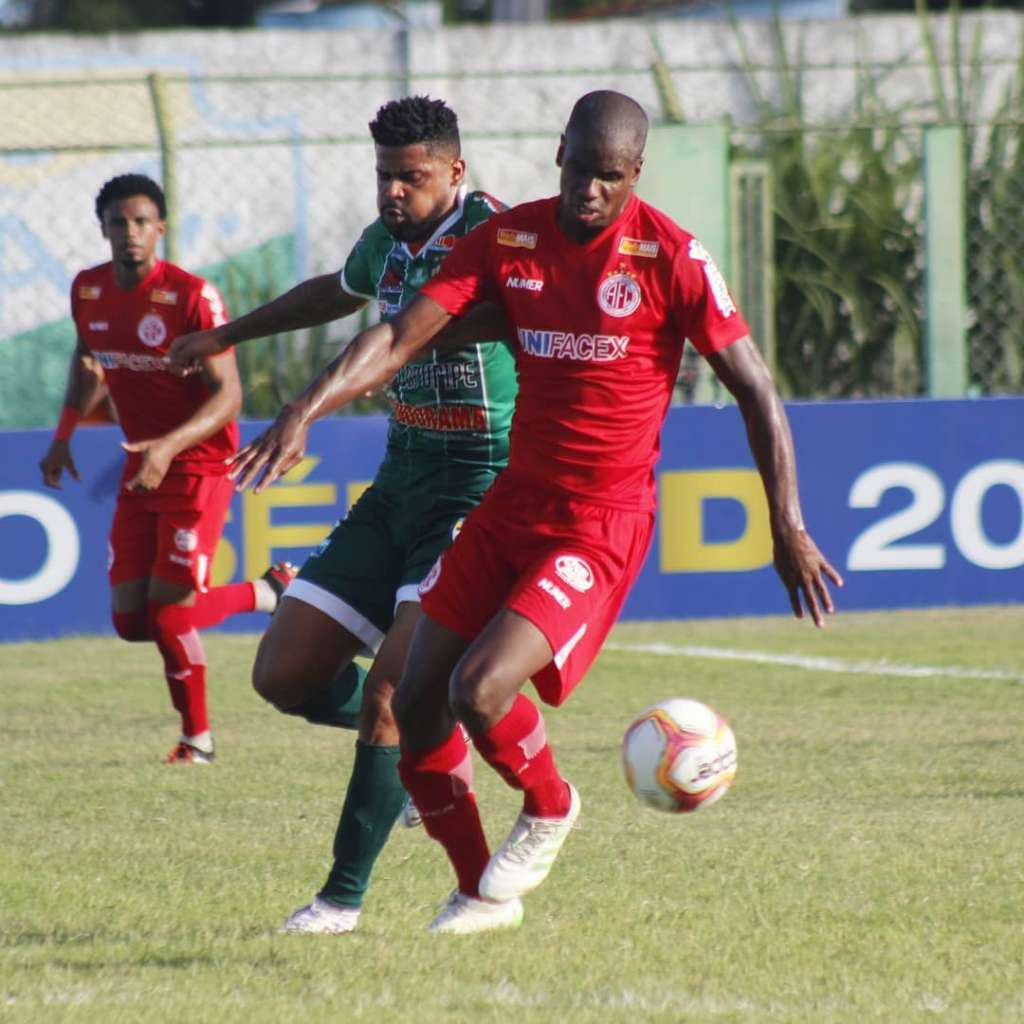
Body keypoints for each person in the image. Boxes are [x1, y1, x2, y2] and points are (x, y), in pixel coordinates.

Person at [218, 90, 843, 935]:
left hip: (599, 523)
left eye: (610, 179)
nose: (590, 192)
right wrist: (304, 407)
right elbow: (399, 334)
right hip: (513, 505)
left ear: (636, 176)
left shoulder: (673, 258)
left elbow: (758, 391)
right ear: (560, 154)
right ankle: (478, 889)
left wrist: (789, 526)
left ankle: (549, 805)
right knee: (422, 704)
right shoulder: (512, 240)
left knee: (478, 689)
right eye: (580, 170)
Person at [166, 96, 517, 934]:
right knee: (282, 674)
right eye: (385, 177)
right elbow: (338, 293)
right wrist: (228, 337)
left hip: (480, 487)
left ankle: (339, 903)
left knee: (393, 691)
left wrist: (302, 411)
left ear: (456, 172)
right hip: (401, 480)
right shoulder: (386, 239)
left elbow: (393, 339)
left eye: (412, 177)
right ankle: (426, 744)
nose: (394, 193)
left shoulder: (498, 240)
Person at [39, 173, 295, 766]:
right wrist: (62, 437)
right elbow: (88, 360)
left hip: (199, 466)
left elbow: (228, 395)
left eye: (140, 222)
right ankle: (267, 591)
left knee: (172, 613)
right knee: (131, 620)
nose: (129, 233)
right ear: (101, 228)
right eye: (117, 223)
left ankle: (197, 741)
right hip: (142, 464)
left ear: (160, 228)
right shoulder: (88, 291)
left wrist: (168, 446)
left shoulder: (190, 297)